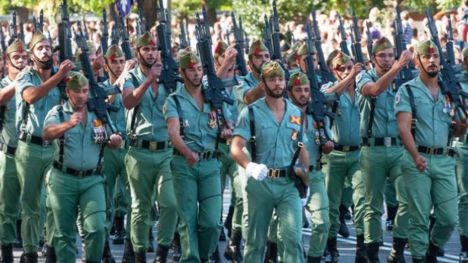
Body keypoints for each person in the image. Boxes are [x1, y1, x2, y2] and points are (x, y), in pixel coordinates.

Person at [395, 40, 466, 262]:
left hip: (444, 160)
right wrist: (416, 156)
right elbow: (403, 128)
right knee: (419, 217)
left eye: (435, 57)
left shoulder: (449, 92)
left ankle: (432, 249)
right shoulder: (407, 90)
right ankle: (418, 257)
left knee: (448, 218)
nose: (432, 61)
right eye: (427, 57)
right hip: (418, 159)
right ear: (417, 62)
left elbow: (455, 131)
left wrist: (462, 125)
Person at [230, 61, 309, 262]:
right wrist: (250, 166)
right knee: (256, 242)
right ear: (263, 84)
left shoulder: (296, 114)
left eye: (280, 79)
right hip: (260, 182)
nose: (277, 84)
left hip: (287, 183)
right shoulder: (251, 112)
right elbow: (235, 147)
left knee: (293, 238)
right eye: (272, 79)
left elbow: (302, 149)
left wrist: (305, 181)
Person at [43, 71, 122, 263]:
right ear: (68, 92)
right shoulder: (59, 113)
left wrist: (115, 140)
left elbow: (113, 136)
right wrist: (67, 125)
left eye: (85, 91)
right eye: (76, 91)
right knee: (64, 234)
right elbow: (47, 133)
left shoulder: (98, 113)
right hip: (63, 179)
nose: (81, 95)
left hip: (92, 179)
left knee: (96, 228)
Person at [164, 49, 232, 262]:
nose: (196, 73)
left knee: (212, 222)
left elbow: (228, 124)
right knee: (188, 219)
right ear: (182, 72)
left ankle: (203, 256)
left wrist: (227, 131)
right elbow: (173, 132)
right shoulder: (174, 101)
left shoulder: (213, 97)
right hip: (184, 164)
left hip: (211, 163)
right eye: (191, 69)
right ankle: (191, 258)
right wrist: (186, 152)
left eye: (199, 69)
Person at [15, 31, 74, 262]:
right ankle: (29, 251)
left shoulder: (64, 77)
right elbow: (31, 96)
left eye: (48, 47)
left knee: (53, 201)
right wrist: (58, 76)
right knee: (31, 204)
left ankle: (51, 247)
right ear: (31, 54)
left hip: (55, 148)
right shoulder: (25, 76)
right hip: (29, 147)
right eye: (40, 48)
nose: (45, 51)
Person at [121, 32, 178, 263]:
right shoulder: (131, 78)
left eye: (154, 49)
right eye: (146, 49)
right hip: (138, 152)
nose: (151, 53)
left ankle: (162, 252)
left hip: (165, 151)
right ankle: (140, 253)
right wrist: (148, 80)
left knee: (171, 203)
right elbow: (128, 101)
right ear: (138, 52)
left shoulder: (168, 77)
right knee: (140, 207)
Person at [355, 36, 412, 260]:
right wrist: (398, 67)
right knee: (373, 205)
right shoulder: (363, 76)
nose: (387, 60)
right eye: (382, 56)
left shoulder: (402, 78)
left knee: (406, 199)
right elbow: (375, 90)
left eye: (391, 55)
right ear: (372, 58)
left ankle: (398, 248)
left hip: (399, 148)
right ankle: (371, 251)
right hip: (373, 150)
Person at [320, 51, 368, 261]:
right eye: (342, 68)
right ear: (333, 71)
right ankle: (331, 246)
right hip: (334, 156)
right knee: (330, 204)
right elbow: (327, 97)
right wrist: (349, 78)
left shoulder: (362, 90)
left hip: (358, 154)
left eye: (350, 67)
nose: (348, 71)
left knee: (362, 201)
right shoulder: (328, 88)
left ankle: (361, 248)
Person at [288, 71, 333, 263]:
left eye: (306, 90)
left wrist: (328, 145)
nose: (303, 94)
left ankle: (314, 258)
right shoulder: (284, 113)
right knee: (288, 228)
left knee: (323, 222)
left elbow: (328, 141)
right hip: (288, 177)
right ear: (289, 92)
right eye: (298, 90)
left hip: (314, 173)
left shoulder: (318, 115)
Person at [0, 39, 28, 263]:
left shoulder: (32, 83)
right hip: (8, 153)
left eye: (24, 57)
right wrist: (17, 83)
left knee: (33, 206)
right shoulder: (3, 84)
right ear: (6, 62)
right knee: (7, 206)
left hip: (32, 155)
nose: (21, 61)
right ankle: (7, 249)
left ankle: (30, 250)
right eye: (16, 58)